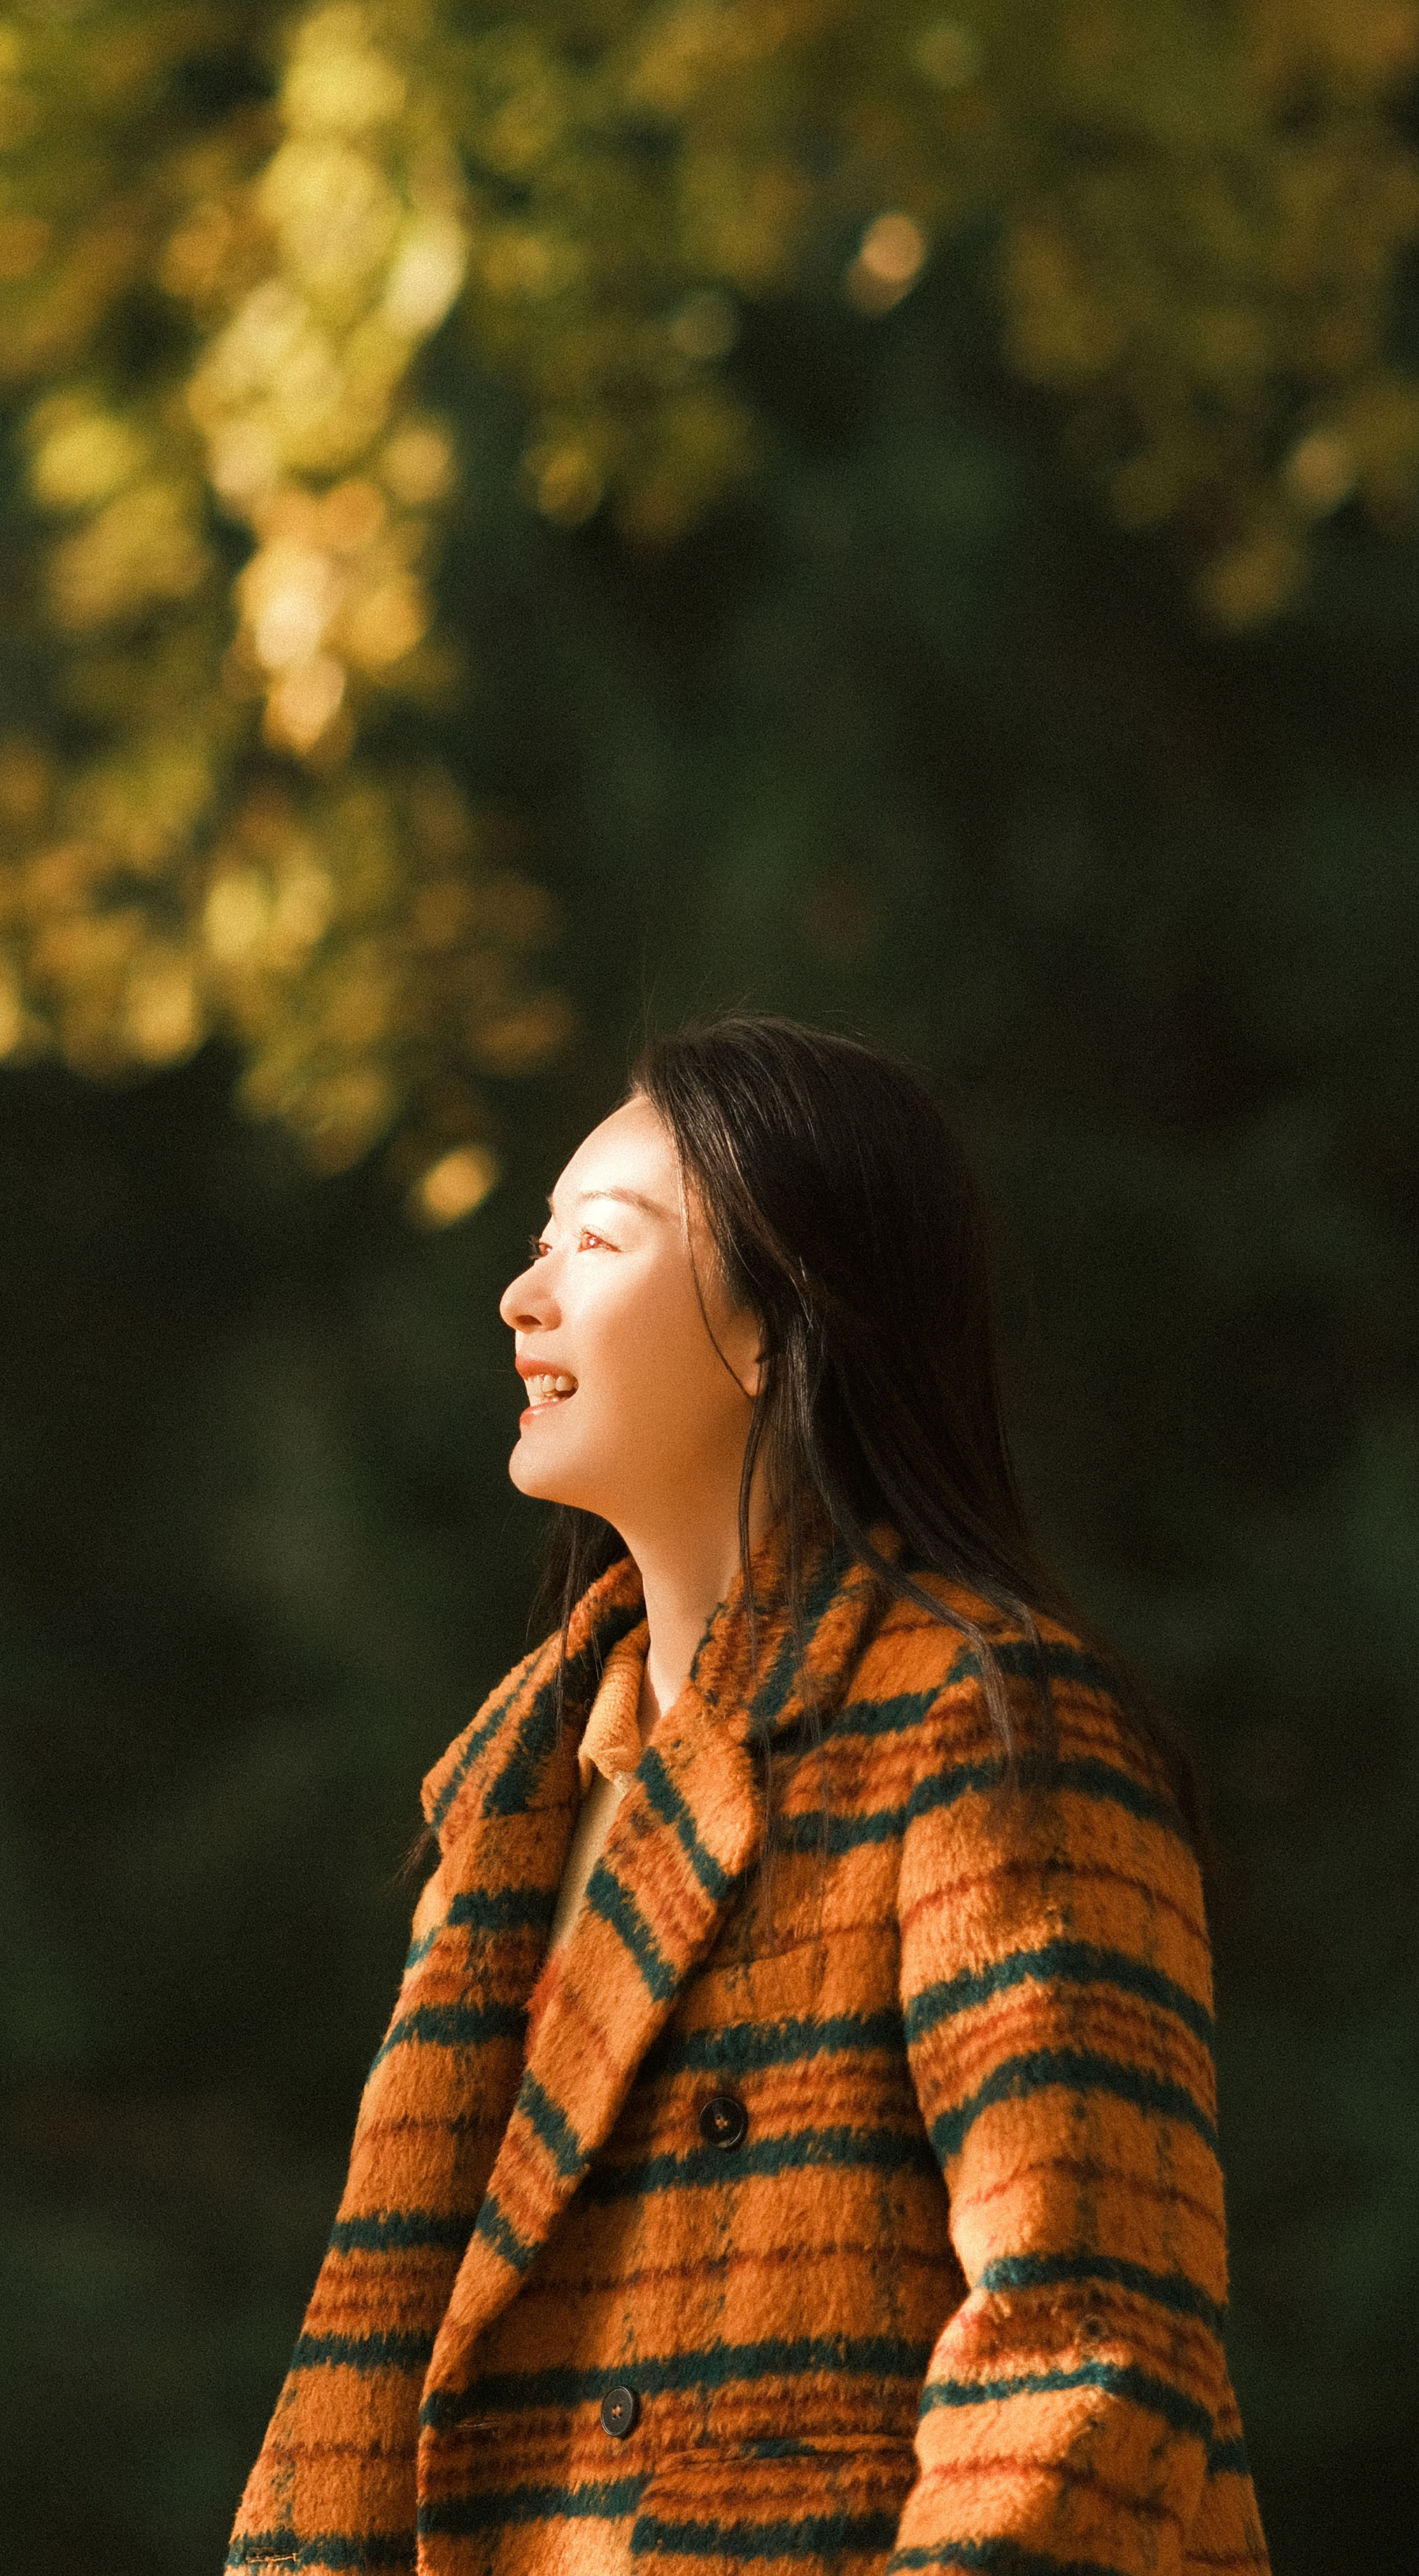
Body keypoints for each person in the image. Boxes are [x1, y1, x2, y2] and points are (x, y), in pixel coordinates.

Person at [227, 1017, 1271, 2576]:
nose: (524, 1294)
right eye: (536, 1244)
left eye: (599, 1240)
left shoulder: (981, 1721)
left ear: (777, 1323)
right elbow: (380, 2348)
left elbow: (1092, 2337)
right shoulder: (514, 1785)